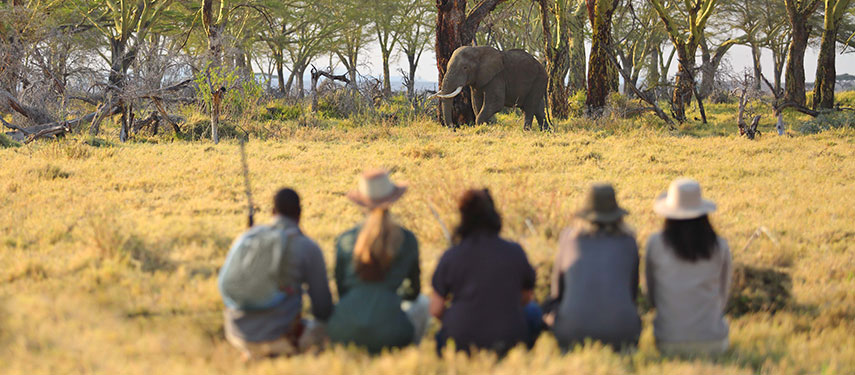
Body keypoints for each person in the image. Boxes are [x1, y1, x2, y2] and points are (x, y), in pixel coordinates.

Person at [219, 188, 333, 361]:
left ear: (272, 212)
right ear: (300, 213)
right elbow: (323, 308)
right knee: (329, 332)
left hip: (236, 334)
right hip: (282, 335)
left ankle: (252, 353)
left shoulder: (248, 237)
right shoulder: (307, 247)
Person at [326, 169, 429, 354]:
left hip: (343, 330)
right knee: (423, 303)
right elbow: (414, 292)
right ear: (392, 200)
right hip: (392, 333)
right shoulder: (407, 239)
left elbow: (341, 290)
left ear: (362, 202)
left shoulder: (345, 239)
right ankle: (411, 355)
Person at [431, 189, 542, 356]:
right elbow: (527, 297)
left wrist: (457, 317)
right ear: (494, 216)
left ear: (463, 218)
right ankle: (524, 355)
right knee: (533, 311)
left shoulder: (451, 256)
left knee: (440, 336)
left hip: (461, 338)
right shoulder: (514, 251)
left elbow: (435, 309)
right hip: (509, 335)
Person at [545, 183, 641, 351]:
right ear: (617, 214)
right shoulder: (629, 241)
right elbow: (631, 292)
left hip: (572, 331)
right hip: (622, 332)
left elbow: (557, 292)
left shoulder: (569, 238)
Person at [646, 178, 732, 357]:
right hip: (713, 342)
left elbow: (652, 296)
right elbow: (723, 298)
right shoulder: (720, 246)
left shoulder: (655, 244)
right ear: (703, 214)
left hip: (667, 342)